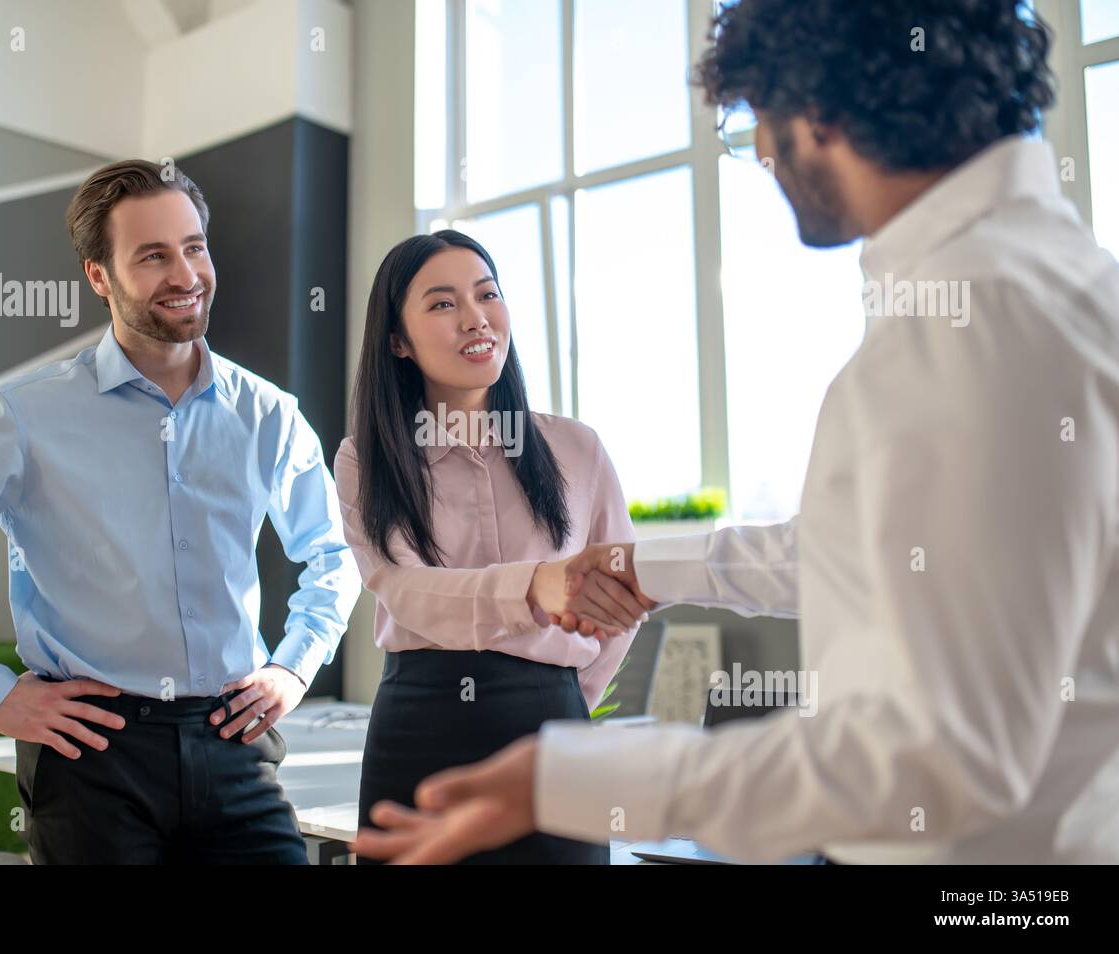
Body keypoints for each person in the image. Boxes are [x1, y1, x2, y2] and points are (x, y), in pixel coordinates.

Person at [352, 0, 1119, 865]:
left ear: (818, 108)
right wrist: (643, 571)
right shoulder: (1057, 287)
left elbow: (938, 756)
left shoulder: (967, 327)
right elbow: (849, 553)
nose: (758, 153)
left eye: (757, 119)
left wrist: (577, 778)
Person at [0, 159, 361, 864]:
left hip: (235, 744)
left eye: (194, 247)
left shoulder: (268, 414)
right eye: (152, 256)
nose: (185, 274)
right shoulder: (21, 418)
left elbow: (335, 554)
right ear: (99, 276)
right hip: (92, 756)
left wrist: (295, 668)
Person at [334, 229, 653, 864]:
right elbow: (404, 589)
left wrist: (560, 700)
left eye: (488, 294)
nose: (476, 318)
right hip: (419, 728)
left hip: (555, 728)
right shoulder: (365, 461)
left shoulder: (577, 449)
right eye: (443, 303)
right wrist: (535, 584)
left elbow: (622, 600)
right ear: (397, 340)